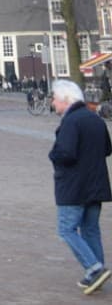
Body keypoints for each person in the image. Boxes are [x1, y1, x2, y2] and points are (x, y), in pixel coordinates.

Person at [50, 78, 112, 293]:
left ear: (67, 100)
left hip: (74, 186)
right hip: (96, 184)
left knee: (66, 229)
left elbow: (65, 153)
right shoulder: (95, 120)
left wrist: (53, 154)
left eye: (56, 99)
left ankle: (94, 268)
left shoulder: (71, 122)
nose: (53, 103)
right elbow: (106, 149)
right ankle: (96, 274)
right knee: (90, 229)